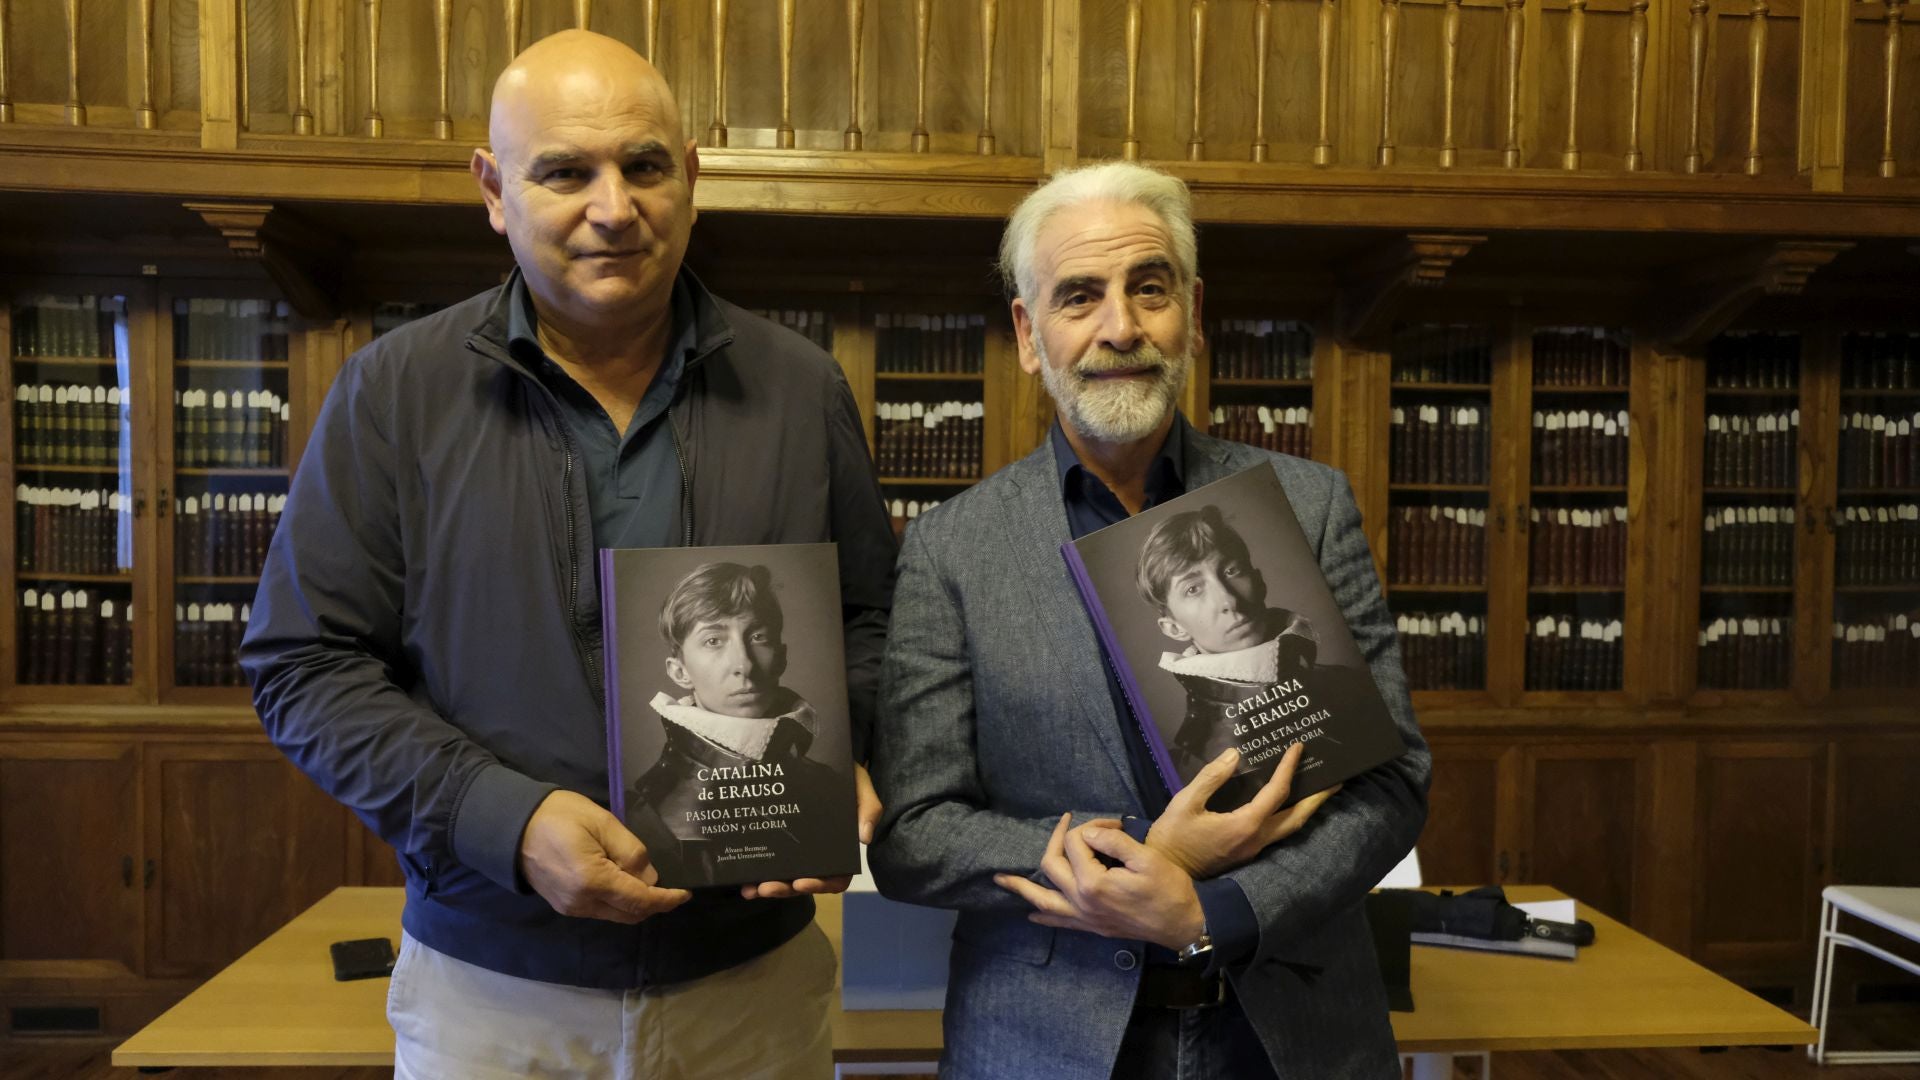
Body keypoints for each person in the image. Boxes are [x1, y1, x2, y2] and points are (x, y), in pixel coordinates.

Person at [240, 29, 894, 1080]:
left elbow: (869, 622)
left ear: (691, 177)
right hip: (492, 999)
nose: (613, 207)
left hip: (752, 992)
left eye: (643, 165)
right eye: (564, 172)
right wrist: (504, 819)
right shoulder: (392, 395)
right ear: (494, 191)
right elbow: (303, 665)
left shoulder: (801, 388)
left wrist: (836, 759)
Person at [867, 160, 1429, 1080]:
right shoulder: (950, 549)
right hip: (1047, 1045)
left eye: (1150, 288)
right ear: (1029, 333)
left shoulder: (1308, 506)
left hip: (1292, 1035)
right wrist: (1139, 854)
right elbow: (915, 836)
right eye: (1079, 295)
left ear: (1193, 316)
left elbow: (1391, 779)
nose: (1120, 327)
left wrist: (1218, 910)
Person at [625, 561, 855, 886]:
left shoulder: (830, 788)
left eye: (758, 637)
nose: (744, 664)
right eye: (713, 641)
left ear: (782, 657)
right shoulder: (647, 814)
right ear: (680, 672)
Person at [1134, 504, 1321, 778]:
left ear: (1259, 582)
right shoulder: (1192, 763)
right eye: (1193, 589)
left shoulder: (1347, 684)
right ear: (1174, 628)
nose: (1229, 601)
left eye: (1232, 570)